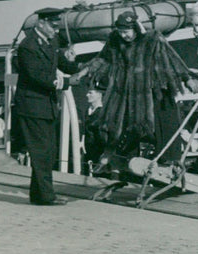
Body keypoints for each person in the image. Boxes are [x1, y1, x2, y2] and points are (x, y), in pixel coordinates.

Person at [78, 11, 189, 164]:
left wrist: (187, 79)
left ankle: (168, 160)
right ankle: (123, 160)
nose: (124, 36)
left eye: (127, 32)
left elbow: (171, 58)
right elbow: (102, 58)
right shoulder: (115, 41)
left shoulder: (152, 39)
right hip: (125, 94)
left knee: (163, 121)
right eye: (121, 32)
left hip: (150, 92)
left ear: (135, 28)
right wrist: (83, 71)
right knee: (123, 127)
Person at [14, 7, 80, 205]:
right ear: (41, 23)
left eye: (57, 26)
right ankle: (46, 196)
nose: (56, 30)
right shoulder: (28, 46)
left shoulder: (51, 42)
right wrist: (67, 83)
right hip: (32, 107)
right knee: (41, 152)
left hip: (46, 106)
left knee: (47, 151)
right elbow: (38, 77)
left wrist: (81, 66)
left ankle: (38, 195)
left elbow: (63, 64)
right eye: (52, 25)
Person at [82, 78, 107, 172]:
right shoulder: (86, 112)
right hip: (86, 154)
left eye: (90, 93)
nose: (87, 95)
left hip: (97, 155)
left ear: (99, 94)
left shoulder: (103, 114)